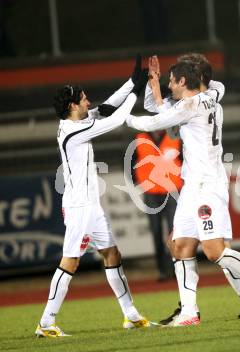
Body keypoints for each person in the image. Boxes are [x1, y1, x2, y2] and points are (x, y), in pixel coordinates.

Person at [127, 60, 240, 326]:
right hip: (193, 185)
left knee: (214, 251)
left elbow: (154, 119)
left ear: (184, 81)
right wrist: (154, 85)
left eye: (172, 80)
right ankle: (189, 313)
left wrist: (119, 116)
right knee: (179, 245)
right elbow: (163, 109)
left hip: (206, 185)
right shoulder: (210, 97)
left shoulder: (190, 106)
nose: (169, 85)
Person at [35, 56, 151, 337]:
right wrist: (138, 91)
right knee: (71, 261)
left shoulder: (78, 121)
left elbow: (107, 105)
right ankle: (47, 322)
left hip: (90, 204)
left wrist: (131, 82)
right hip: (79, 205)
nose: (89, 103)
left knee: (111, 252)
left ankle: (131, 315)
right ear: (73, 106)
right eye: (84, 100)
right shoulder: (74, 131)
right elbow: (117, 118)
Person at [134, 128, 182, 282]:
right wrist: (139, 182)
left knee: (174, 232)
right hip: (151, 193)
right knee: (156, 232)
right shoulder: (139, 139)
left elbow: (186, 159)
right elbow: (129, 161)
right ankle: (162, 270)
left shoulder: (174, 137)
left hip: (172, 191)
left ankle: (176, 269)